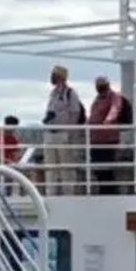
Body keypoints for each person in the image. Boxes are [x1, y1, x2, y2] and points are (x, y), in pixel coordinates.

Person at [42, 65, 85, 195]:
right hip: (50, 133)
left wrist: (69, 132)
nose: (52, 77)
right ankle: (51, 192)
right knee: (50, 166)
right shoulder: (53, 93)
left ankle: (68, 192)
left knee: (66, 165)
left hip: (63, 133)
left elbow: (74, 113)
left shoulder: (70, 93)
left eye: (55, 74)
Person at [87, 76, 127, 195]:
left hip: (108, 139)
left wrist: (108, 121)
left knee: (107, 167)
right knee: (97, 167)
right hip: (95, 139)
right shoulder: (97, 99)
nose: (99, 87)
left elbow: (115, 109)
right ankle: (103, 189)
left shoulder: (114, 96)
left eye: (101, 84)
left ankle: (109, 191)